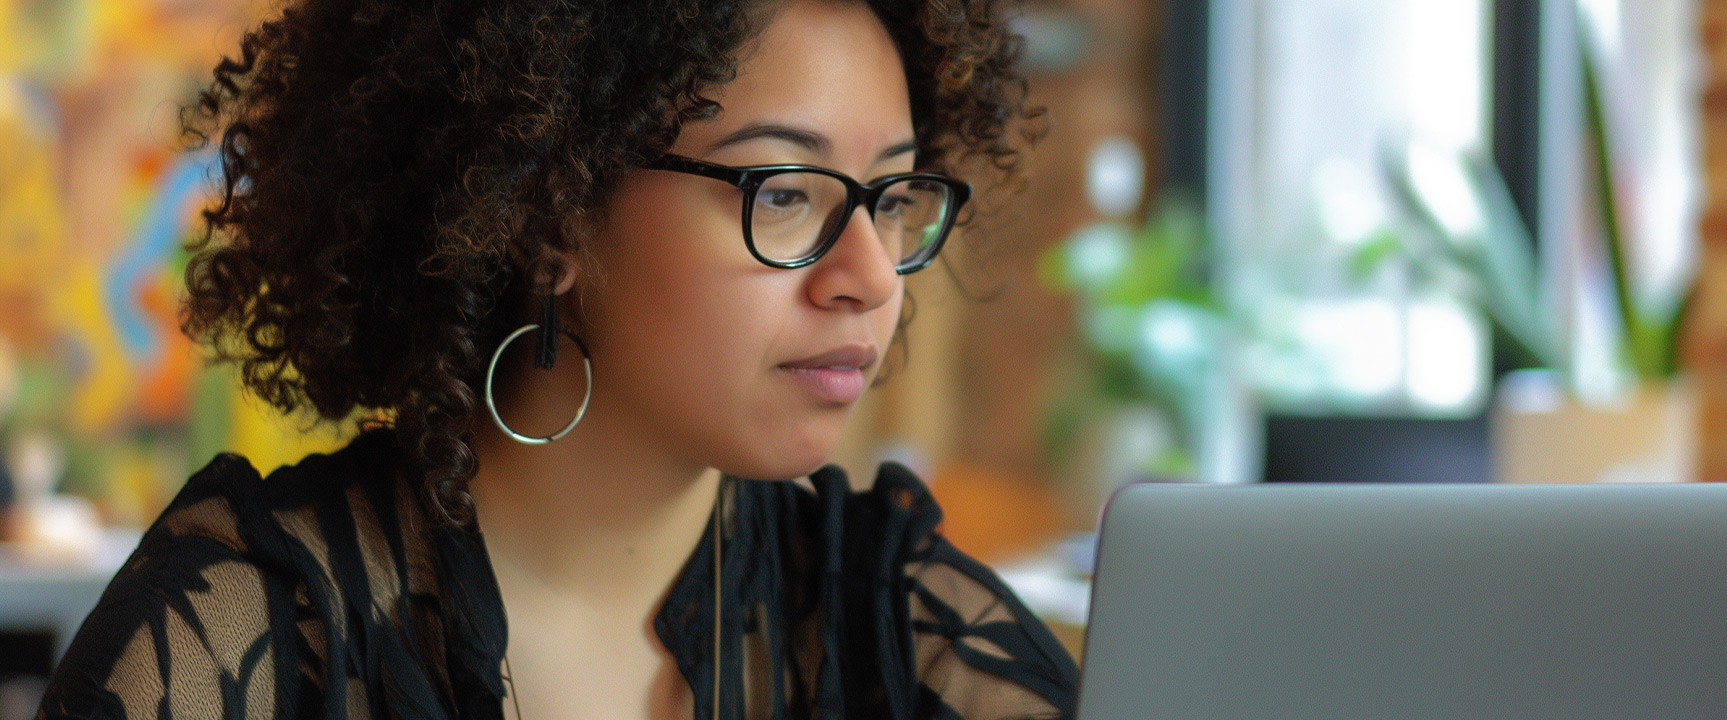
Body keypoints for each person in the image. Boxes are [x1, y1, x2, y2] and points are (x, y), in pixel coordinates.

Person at [34, 0, 1075, 717]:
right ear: (548, 214)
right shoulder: (250, 636)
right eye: (785, 192)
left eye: (890, 201)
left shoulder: (906, 632)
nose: (871, 276)